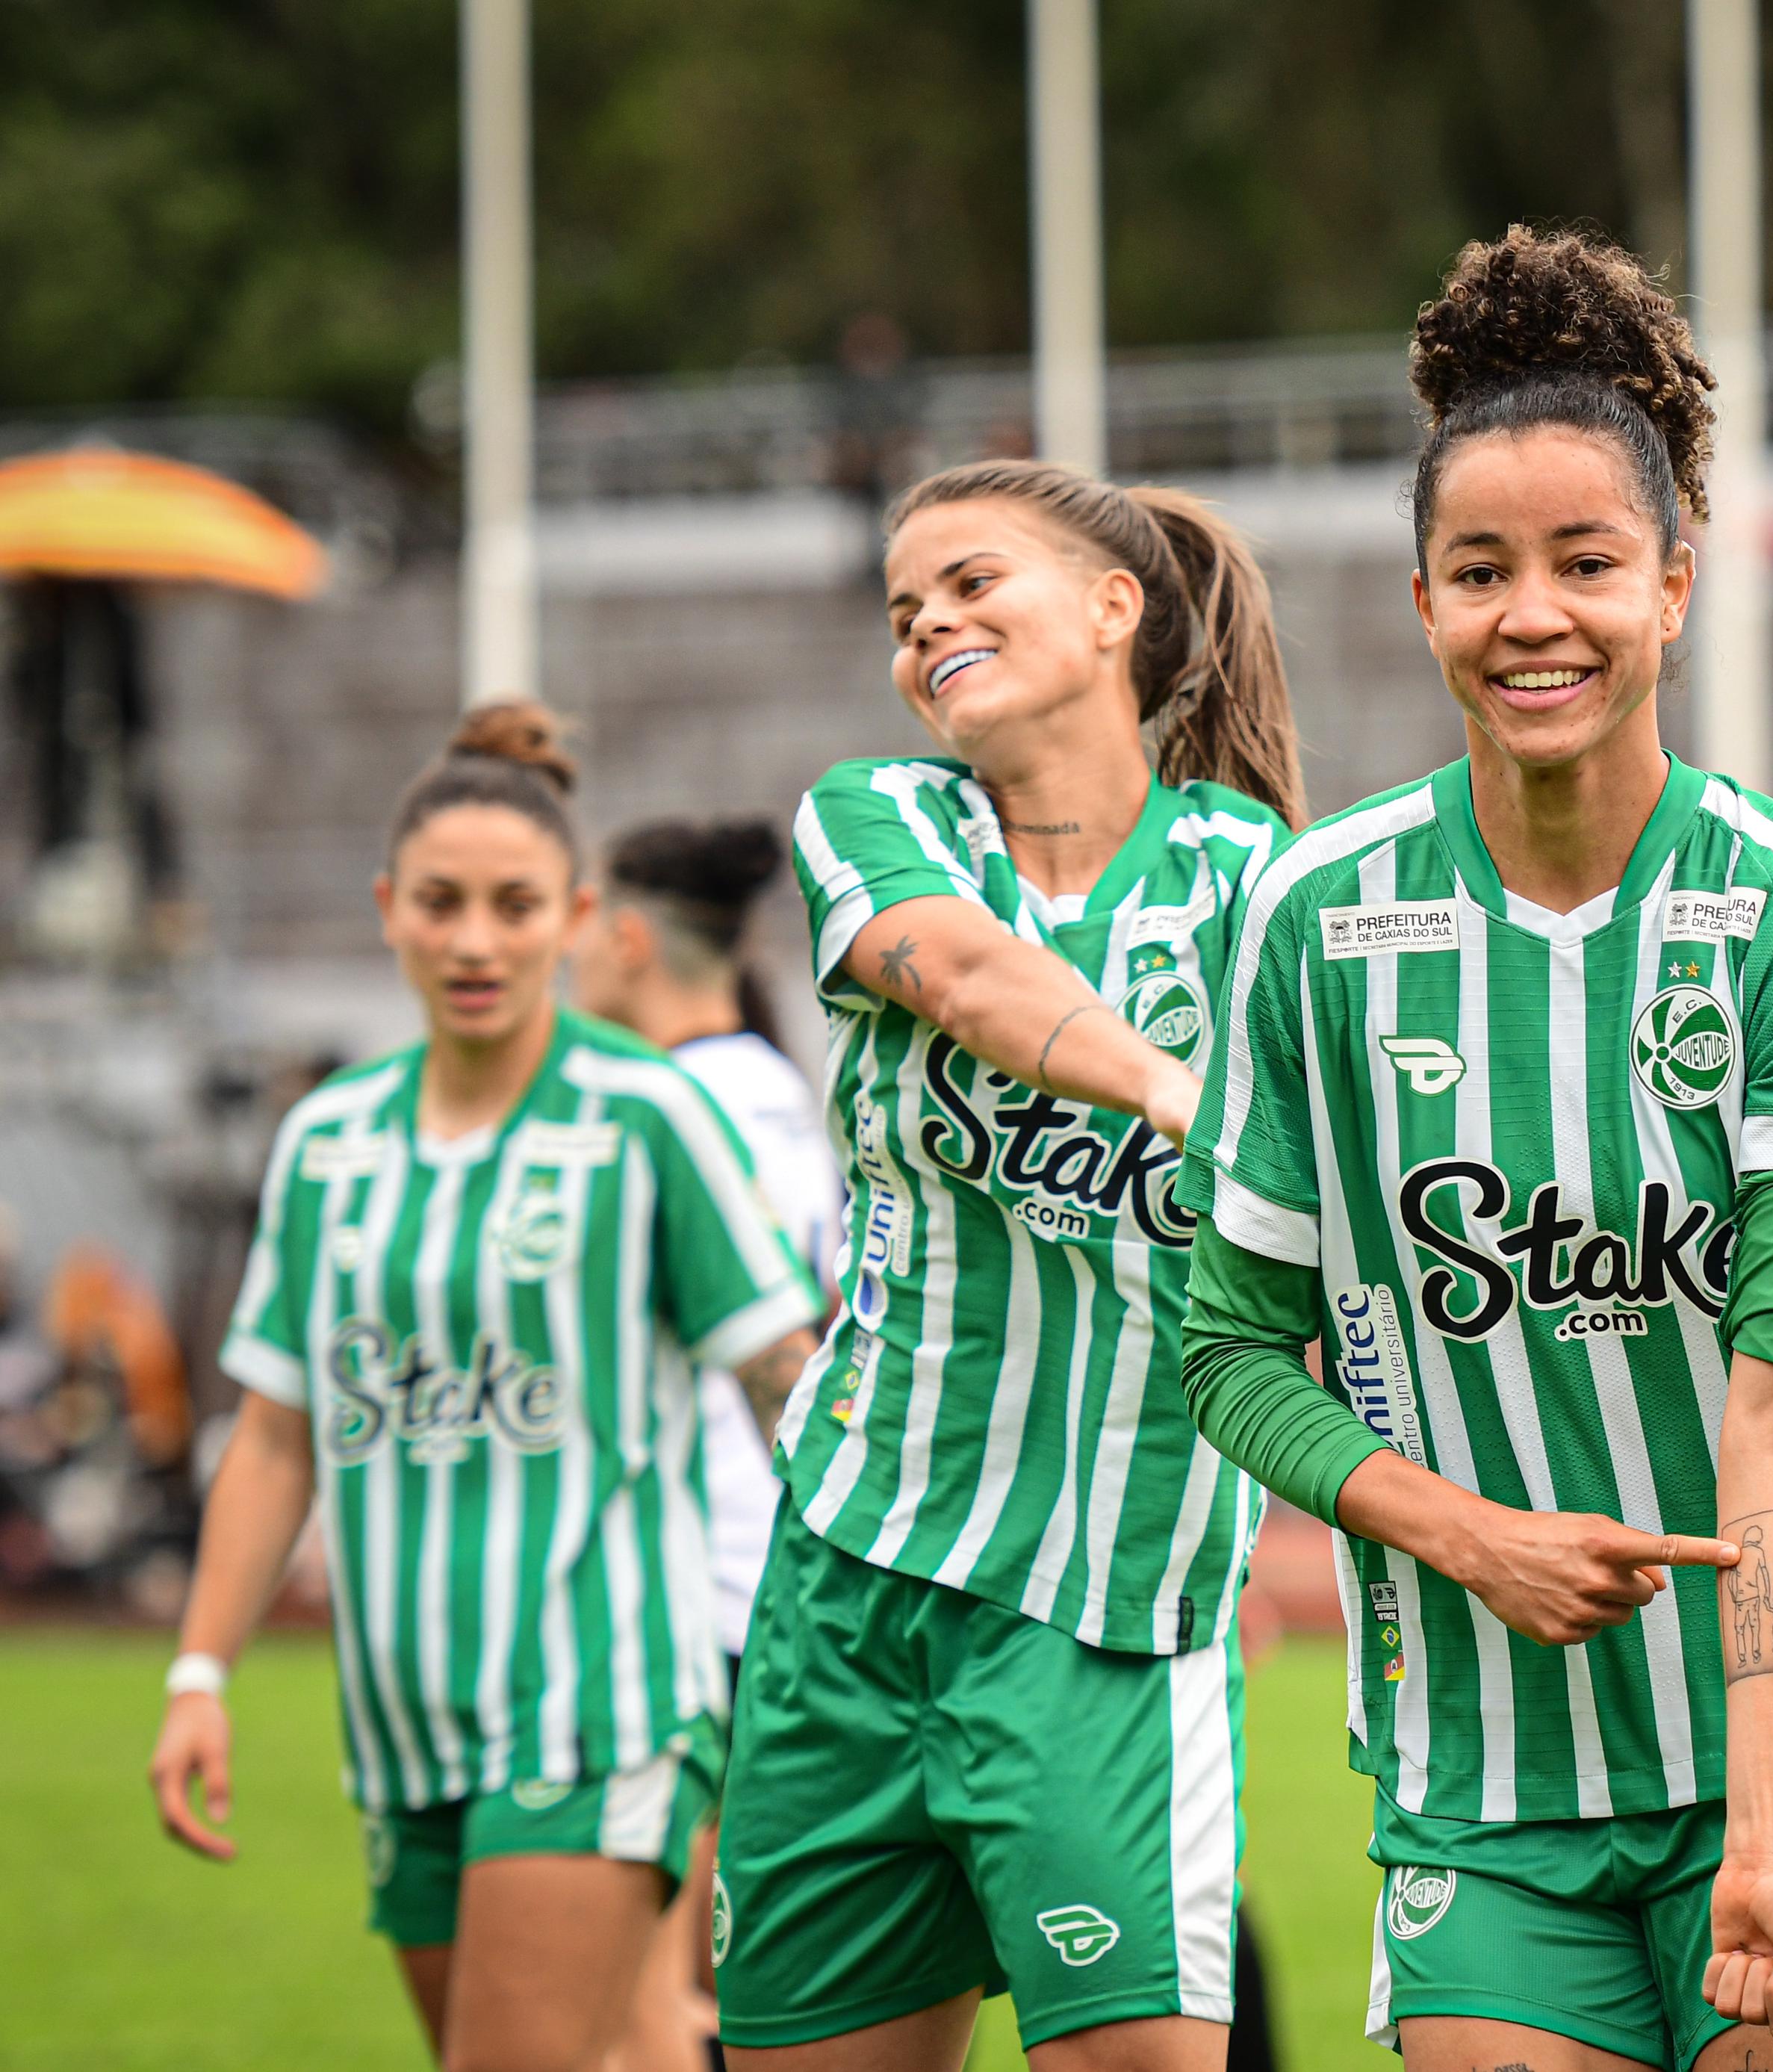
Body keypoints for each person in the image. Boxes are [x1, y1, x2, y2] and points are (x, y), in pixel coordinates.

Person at [1177, 223, 1773, 2072]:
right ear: (1424, 602)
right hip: (1483, 1781)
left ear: (1675, 586)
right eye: (1481, 570)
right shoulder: (1312, 920)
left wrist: (1768, 1841)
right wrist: (1467, 1534)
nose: (1536, 614)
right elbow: (1228, 1345)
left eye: (1588, 561)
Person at [709, 458, 1304, 2072]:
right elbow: (965, 976)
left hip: (1106, 1607)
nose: (929, 629)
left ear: (1117, 608)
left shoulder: (1268, 886)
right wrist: (1180, 1094)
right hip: (851, 1576)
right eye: (905, 613)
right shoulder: (880, 816)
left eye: (971, 583)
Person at [146, 702, 827, 2072]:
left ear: (576, 916)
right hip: (400, 1711)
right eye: (442, 903)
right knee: (626, 2047)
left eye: (515, 905)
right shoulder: (328, 1140)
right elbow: (281, 1432)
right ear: (388, 909)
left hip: (602, 1691)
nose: (474, 940)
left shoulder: (650, 1111)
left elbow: (784, 1376)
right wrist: (200, 1667)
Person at [569, 815, 846, 2072]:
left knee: (649, 2009)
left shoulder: (652, 1108)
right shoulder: (787, 1089)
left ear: (627, 933)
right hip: (779, 1569)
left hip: (678, 1592)